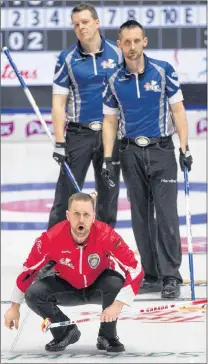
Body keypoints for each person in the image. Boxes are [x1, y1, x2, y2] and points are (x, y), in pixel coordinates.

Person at [101, 20, 193, 299]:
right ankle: (151, 275)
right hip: (129, 152)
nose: (131, 47)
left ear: (145, 41)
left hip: (161, 150)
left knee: (165, 215)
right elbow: (109, 120)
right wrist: (108, 157)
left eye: (136, 41)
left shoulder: (163, 71)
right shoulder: (114, 79)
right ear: (119, 44)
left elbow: (177, 111)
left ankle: (170, 276)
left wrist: (184, 148)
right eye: (126, 42)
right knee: (141, 217)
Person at [4, 192, 144, 353]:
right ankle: (65, 332)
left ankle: (107, 335)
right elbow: (28, 271)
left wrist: (117, 305)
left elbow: (135, 269)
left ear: (93, 216)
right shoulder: (51, 239)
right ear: (68, 216)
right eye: (76, 214)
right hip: (66, 287)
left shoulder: (107, 235)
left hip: (98, 286)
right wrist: (14, 307)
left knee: (115, 283)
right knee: (34, 294)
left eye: (86, 214)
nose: (81, 220)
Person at [48, 2, 122, 230]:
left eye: (85, 22)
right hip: (79, 134)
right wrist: (60, 142)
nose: (81, 27)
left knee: (108, 199)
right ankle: (52, 257)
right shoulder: (67, 58)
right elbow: (58, 103)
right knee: (65, 198)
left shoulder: (118, 53)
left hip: (111, 135)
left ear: (97, 23)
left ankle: (103, 256)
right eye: (76, 24)